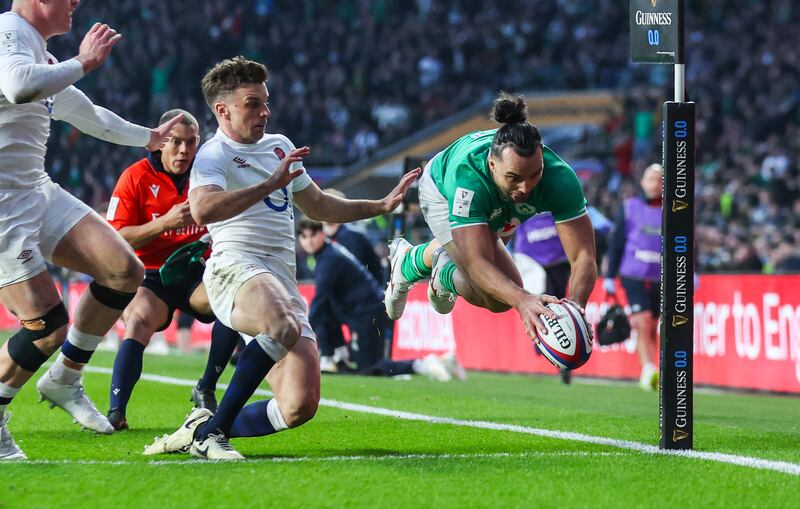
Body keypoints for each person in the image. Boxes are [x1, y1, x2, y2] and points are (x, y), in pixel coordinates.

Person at [145, 56, 419, 461]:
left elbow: (321, 206)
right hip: (234, 267)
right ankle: (213, 434)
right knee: (280, 322)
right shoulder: (212, 155)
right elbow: (202, 210)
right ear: (223, 110)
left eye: (265, 101)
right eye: (252, 103)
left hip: (279, 278)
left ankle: (202, 427)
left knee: (298, 406)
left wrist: (381, 204)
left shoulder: (281, 147)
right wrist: (270, 183)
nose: (264, 111)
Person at [0, 1, 182, 459]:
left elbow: (89, 115)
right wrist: (82, 62)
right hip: (2, 207)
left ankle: (66, 377)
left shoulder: (39, 52)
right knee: (45, 327)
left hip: (34, 191)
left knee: (123, 270)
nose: (77, 2)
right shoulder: (8, 31)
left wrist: (149, 138)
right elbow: (18, 87)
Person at [385, 93, 597, 345]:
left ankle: (442, 264)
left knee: (501, 292)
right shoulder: (468, 181)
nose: (526, 188)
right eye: (514, 177)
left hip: (499, 205)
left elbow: (584, 255)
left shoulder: (560, 178)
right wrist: (522, 300)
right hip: (441, 190)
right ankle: (419, 263)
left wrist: (576, 308)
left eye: (534, 174)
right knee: (496, 295)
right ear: (492, 164)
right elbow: (477, 262)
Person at [104, 109, 241, 430]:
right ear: (158, 144)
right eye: (175, 142)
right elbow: (116, 236)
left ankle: (205, 386)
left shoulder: (207, 174)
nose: (184, 150)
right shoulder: (134, 177)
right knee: (138, 320)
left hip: (195, 270)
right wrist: (165, 223)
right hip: (150, 275)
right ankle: (116, 412)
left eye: (191, 143)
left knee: (232, 302)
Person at [297, 218, 463, 381]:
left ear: (321, 234)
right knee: (326, 316)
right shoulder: (327, 254)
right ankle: (334, 356)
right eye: (304, 237)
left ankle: (423, 364)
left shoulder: (329, 258)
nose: (309, 241)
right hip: (360, 310)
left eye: (313, 235)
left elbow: (320, 301)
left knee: (369, 367)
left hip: (368, 311)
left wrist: (302, 336)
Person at [604, 163, 662, 391]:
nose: (655, 183)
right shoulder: (630, 208)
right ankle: (648, 369)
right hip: (633, 274)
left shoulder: (675, 210)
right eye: (650, 178)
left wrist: (692, 270)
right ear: (642, 182)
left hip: (660, 276)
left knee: (653, 325)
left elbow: (690, 241)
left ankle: (651, 368)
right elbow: (616, 243)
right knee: (643, 321)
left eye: (659, 179)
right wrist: (609, 276)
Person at [317, 187, 385, 372]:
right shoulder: (321, 238)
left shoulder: (353, 238)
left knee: (368, 366)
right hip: (344, 305)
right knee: (323, 309)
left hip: (363, 307)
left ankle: (418, 366)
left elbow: (368, 274)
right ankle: (331, 354)